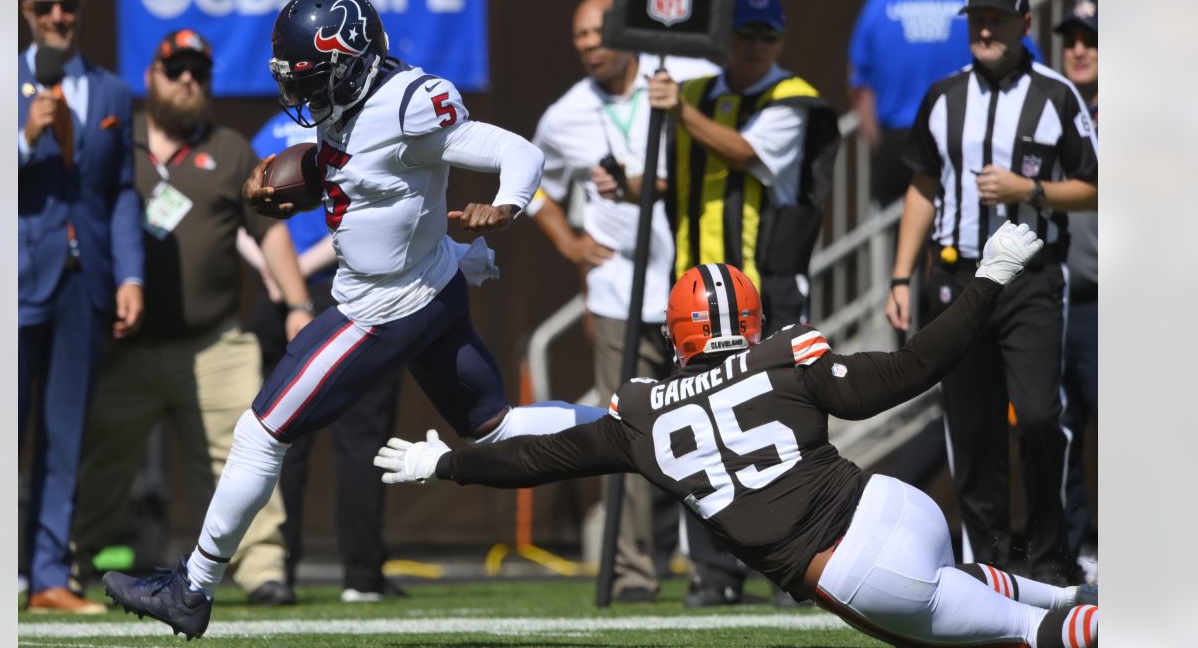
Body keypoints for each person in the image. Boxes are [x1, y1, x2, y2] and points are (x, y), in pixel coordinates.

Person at [101, 0, 603, 638]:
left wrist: (505, 206)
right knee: (494, 430)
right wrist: (308, 185)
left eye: (315, 79)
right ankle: (627, 429)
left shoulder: (409, 105)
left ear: (352, 63)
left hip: (382, 308)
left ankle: (192, 588)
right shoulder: (355, 99)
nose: (305, 97)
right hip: (429, 285)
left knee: (261, 433)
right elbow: (368, 182)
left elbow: (520, 154)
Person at [378, 223, 1099, 648]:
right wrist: (993, 276)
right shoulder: (786, 356)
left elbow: (540, 457)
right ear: (750, 322)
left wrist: (449, 466)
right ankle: (1071, 597)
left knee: (1019, 639)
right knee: (977, 597)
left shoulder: (643, 414)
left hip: (852, 569)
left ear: (677, 338)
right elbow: (917, 365)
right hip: (895, 505)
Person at [72, 29, 312, 607]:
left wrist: (299, 305)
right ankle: (69, 569)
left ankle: (263, 572)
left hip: (214, 344)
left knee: (246, 456)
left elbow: (270, 231)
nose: (187, 80)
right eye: (174, 69)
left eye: (198, 73)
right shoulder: (114, 137)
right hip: (124, 345)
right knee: (101, 466)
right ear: (150, 78)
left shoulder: (229, 149)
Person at [885, 0, 1098, 584]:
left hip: (1030, 280)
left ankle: (1051, 557)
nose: (984, 29)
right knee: (970, 426)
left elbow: (1096, 184)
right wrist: (902, 276)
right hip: (955, 279)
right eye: (976, 18)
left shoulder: (1057, 96)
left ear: (1025, 25)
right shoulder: (944, 95)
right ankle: (986, 562)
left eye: (998, 19)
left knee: (1036, 416)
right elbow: (922, 185)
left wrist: (1029, 189)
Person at [637, 0, 840, 606]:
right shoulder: (694, 93)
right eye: (744, 33)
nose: (754, 45)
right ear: (726, 35)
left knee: (786, 420)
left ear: (779, 39)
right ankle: (714, 574)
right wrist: (629, 184)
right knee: (697, 425)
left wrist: (678, 111)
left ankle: (798, 562)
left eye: (766, 35)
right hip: (697, 293)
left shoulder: (791, 98)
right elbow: (679, 174)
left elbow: (746, 152)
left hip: (767, 289)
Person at [528, 0, 717, 603]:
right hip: (617, 291)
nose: (586, 44)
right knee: (630, 433)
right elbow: (531, 184)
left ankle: (722, 566)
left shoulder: (684, 79)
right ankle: (637, 571)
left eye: (597, 32)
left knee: (714, 425)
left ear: (627, 31)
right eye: (577, 35)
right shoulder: (564, 115)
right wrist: (568, 243)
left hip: (697, 286)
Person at [18, 0, 144, 614]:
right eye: (46, 8)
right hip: (4, 281)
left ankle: (46, 577)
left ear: (81, 8)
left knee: (64, 436)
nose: (58, 18)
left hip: (83, 283)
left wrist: (129, 273)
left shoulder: (114, 93)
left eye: (68, 6)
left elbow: (120, 192)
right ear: (25, 12)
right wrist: (22, 136)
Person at [244, 112, 408, 603]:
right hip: (344, 294)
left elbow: (240, 215)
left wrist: (277, 273)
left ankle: (283, 572)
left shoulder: (270, 131)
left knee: (281, 435)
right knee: (353, 437)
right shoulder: (357, 128)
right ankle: (358, 576)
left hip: (285, 290)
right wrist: (292, 273)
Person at [848, 0, 1044, 207]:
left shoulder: (880, 3)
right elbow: (1032, 70)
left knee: (901, 239)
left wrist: (880, 147)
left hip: (899, 143)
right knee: (972, 232)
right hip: (970, 137)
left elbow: (860, 89)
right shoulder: (987, 1)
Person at [1053, 0, 1098, 581]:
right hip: (1060, 295)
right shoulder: (1052, 111)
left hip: (1123, 300)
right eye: (1072, 39)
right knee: (1057, 427)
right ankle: (1071, 549)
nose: (1080, 48)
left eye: (1092, 39)